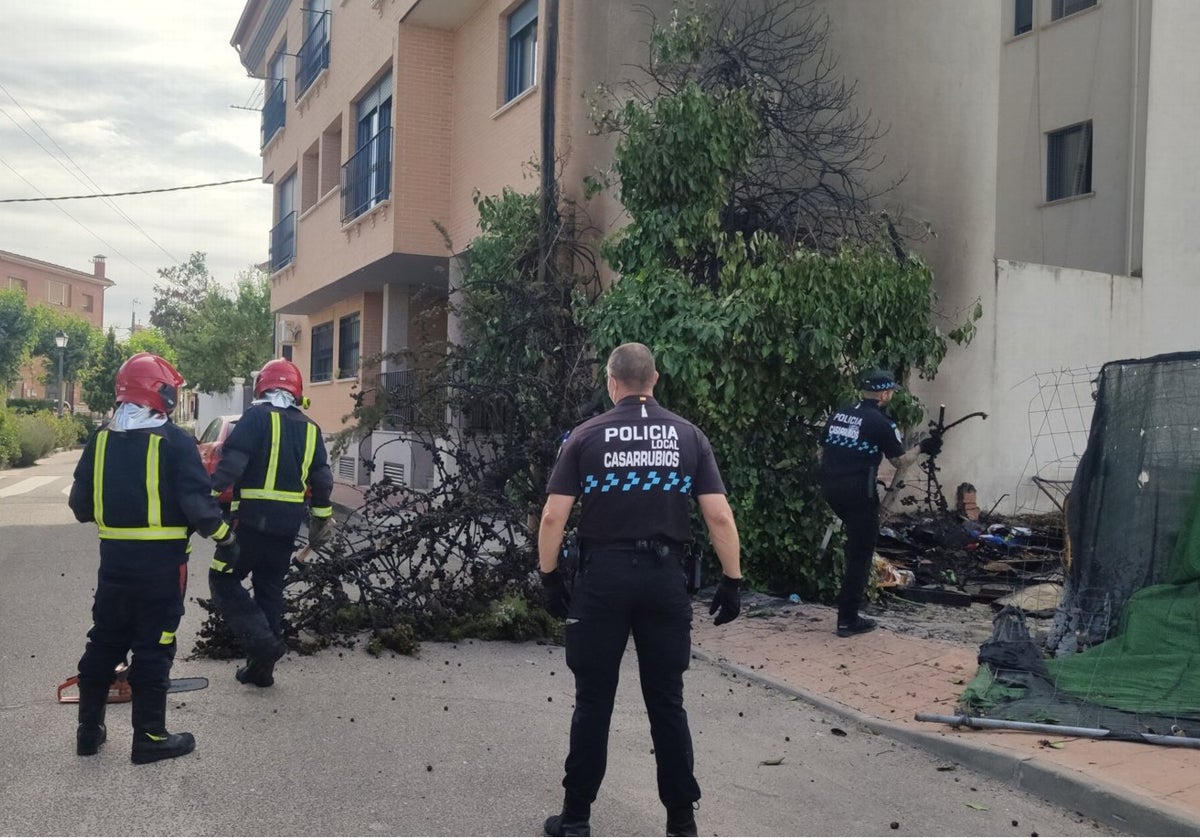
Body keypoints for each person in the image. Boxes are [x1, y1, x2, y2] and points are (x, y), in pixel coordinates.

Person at [537, 342, 743, 838]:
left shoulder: (585, 436)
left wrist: (548, 577)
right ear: (655, 380)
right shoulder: (689, 437)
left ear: (612, 383)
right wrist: (733, 580)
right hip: (664, 579)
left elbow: (552, 516)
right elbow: (717, 514)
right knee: (666, 701)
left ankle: (577, 817)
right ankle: (681, 821)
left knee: (593, 701)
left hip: (602, 581)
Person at [69, 352, 239, 764]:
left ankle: (88, 734)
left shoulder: (101, 439)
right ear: (160, 392)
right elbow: (200, 508)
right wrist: (226, 539)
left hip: (114, 565)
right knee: (154, 646)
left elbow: (79, 505)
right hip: (161, 569)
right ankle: (150, 739)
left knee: (104, 641)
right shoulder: (177, 442)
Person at [209, 358, 334, 688]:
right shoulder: (311, 428)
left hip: (250, 523)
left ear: (262, 387)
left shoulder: (255, 417)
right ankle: (261, 670)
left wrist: (202, 496)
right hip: (286, 527)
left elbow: (232, 465)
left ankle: (262, 641)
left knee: (222, 580)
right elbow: (322, 479)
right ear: (296, 391)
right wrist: (321, 520)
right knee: (269, 588)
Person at [818, 368, 940, 638]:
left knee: (853, 544)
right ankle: (848, 620)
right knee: (860, 555)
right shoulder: (882, 423)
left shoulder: (840, 413)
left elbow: (822, 448)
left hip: (830, 487)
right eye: (891, 392)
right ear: (885, 393)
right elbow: (899, 461)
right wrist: (924, 447)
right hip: (859, 493)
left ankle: (845, 609)